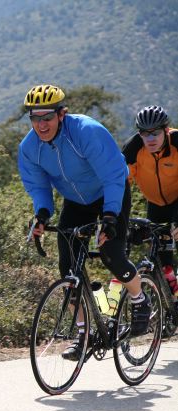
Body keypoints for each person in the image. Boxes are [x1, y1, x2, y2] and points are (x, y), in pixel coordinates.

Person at [18, 84, 150, 360]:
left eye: (47, 117)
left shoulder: (87, 132)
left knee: (111, 252)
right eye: (35, 118)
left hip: (110, 192)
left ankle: (139, 299)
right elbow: (38, 186)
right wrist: (42, 214)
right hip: (77, 202)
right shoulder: (29, 148)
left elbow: (114, 175)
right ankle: (84, 333)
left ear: (62, 114)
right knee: (68, 270)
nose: (41, 125)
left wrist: (111, 216)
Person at [122, 105, 178, 302]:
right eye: (145, 134)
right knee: (164, 261)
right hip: (155, 204)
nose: (151, 139)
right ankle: (171, 303)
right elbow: (120, 186)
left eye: (155, 133)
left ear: (166, 130)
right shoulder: (133, 149)